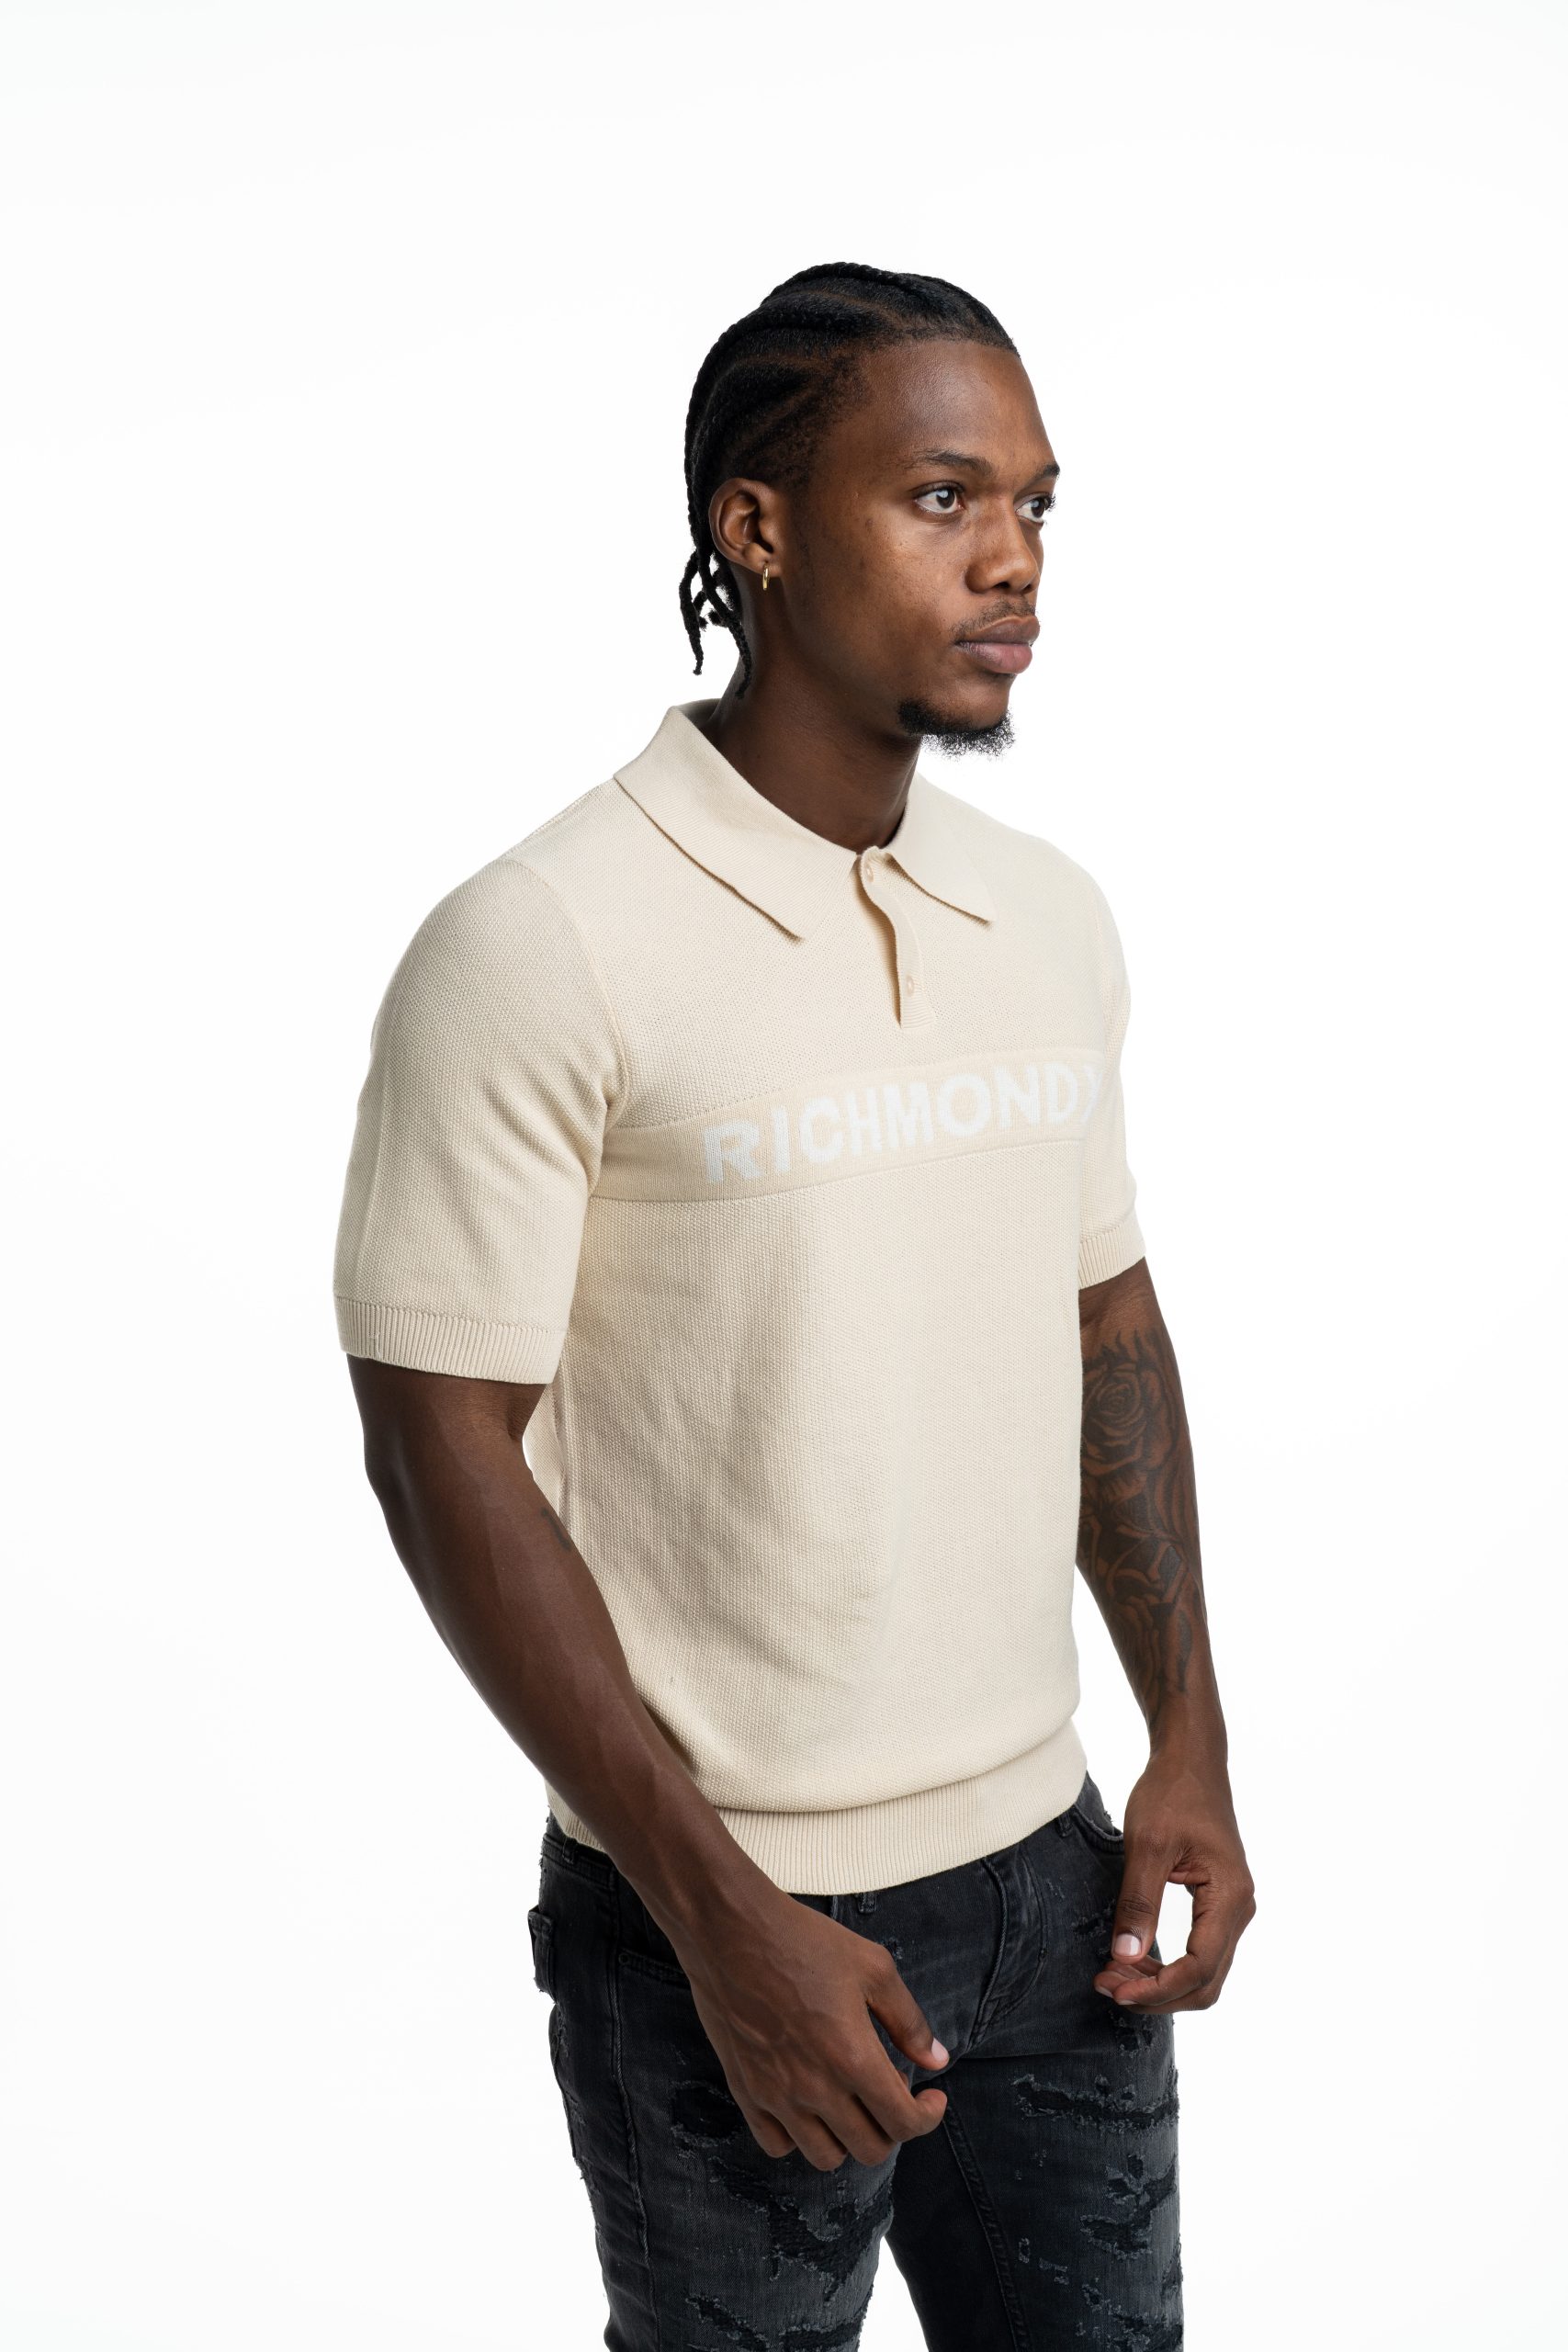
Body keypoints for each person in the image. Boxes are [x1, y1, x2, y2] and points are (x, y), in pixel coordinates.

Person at [333, 260, 1255, 2348]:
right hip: (725, 1916)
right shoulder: (539, 940)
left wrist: (1185, 1738)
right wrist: (718, 1917)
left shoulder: (1044, 917)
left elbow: (1105, 1324)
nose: (1012, 558)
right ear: (752, 530)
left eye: (1032, 501)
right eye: (941, 497)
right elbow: (435, 1442)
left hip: (1058, 1876)